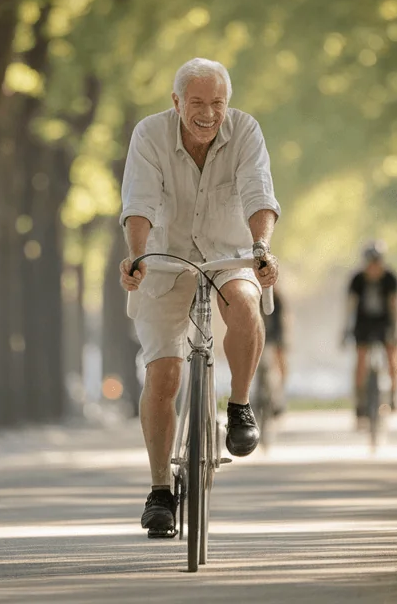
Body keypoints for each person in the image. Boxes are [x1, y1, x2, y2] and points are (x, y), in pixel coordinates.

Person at [118, 57, 281, 538]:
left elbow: (259, 194)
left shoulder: (246, 132)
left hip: (229, 252)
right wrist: (136, 256)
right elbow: (139, 201)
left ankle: (240, 404)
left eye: (217, 103)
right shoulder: (149, 135)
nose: (208, 113)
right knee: (163, 373)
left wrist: (261, 249)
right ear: (176, 103)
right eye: (197, 103)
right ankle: (159, 493)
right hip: (166, 257)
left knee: (246, 305)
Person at [345, 241, 397, 418]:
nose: (373, 267)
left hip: (384, 322)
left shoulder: (390, 279)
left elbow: (395, 306)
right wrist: (346, 328)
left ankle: (394, 394)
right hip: (363, 323)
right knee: (361, 359)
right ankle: (360, 400)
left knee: (393, 356)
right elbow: (350, 306)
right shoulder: (357, 280)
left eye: (377, 262)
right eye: (370, 262)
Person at [262, 287, 288, 415]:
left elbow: (284, 319)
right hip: (263, 335)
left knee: (278, 367)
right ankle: (269, 397)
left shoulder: (278, 298)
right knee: (266, 367)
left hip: (276, 336)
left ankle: (277, 398)